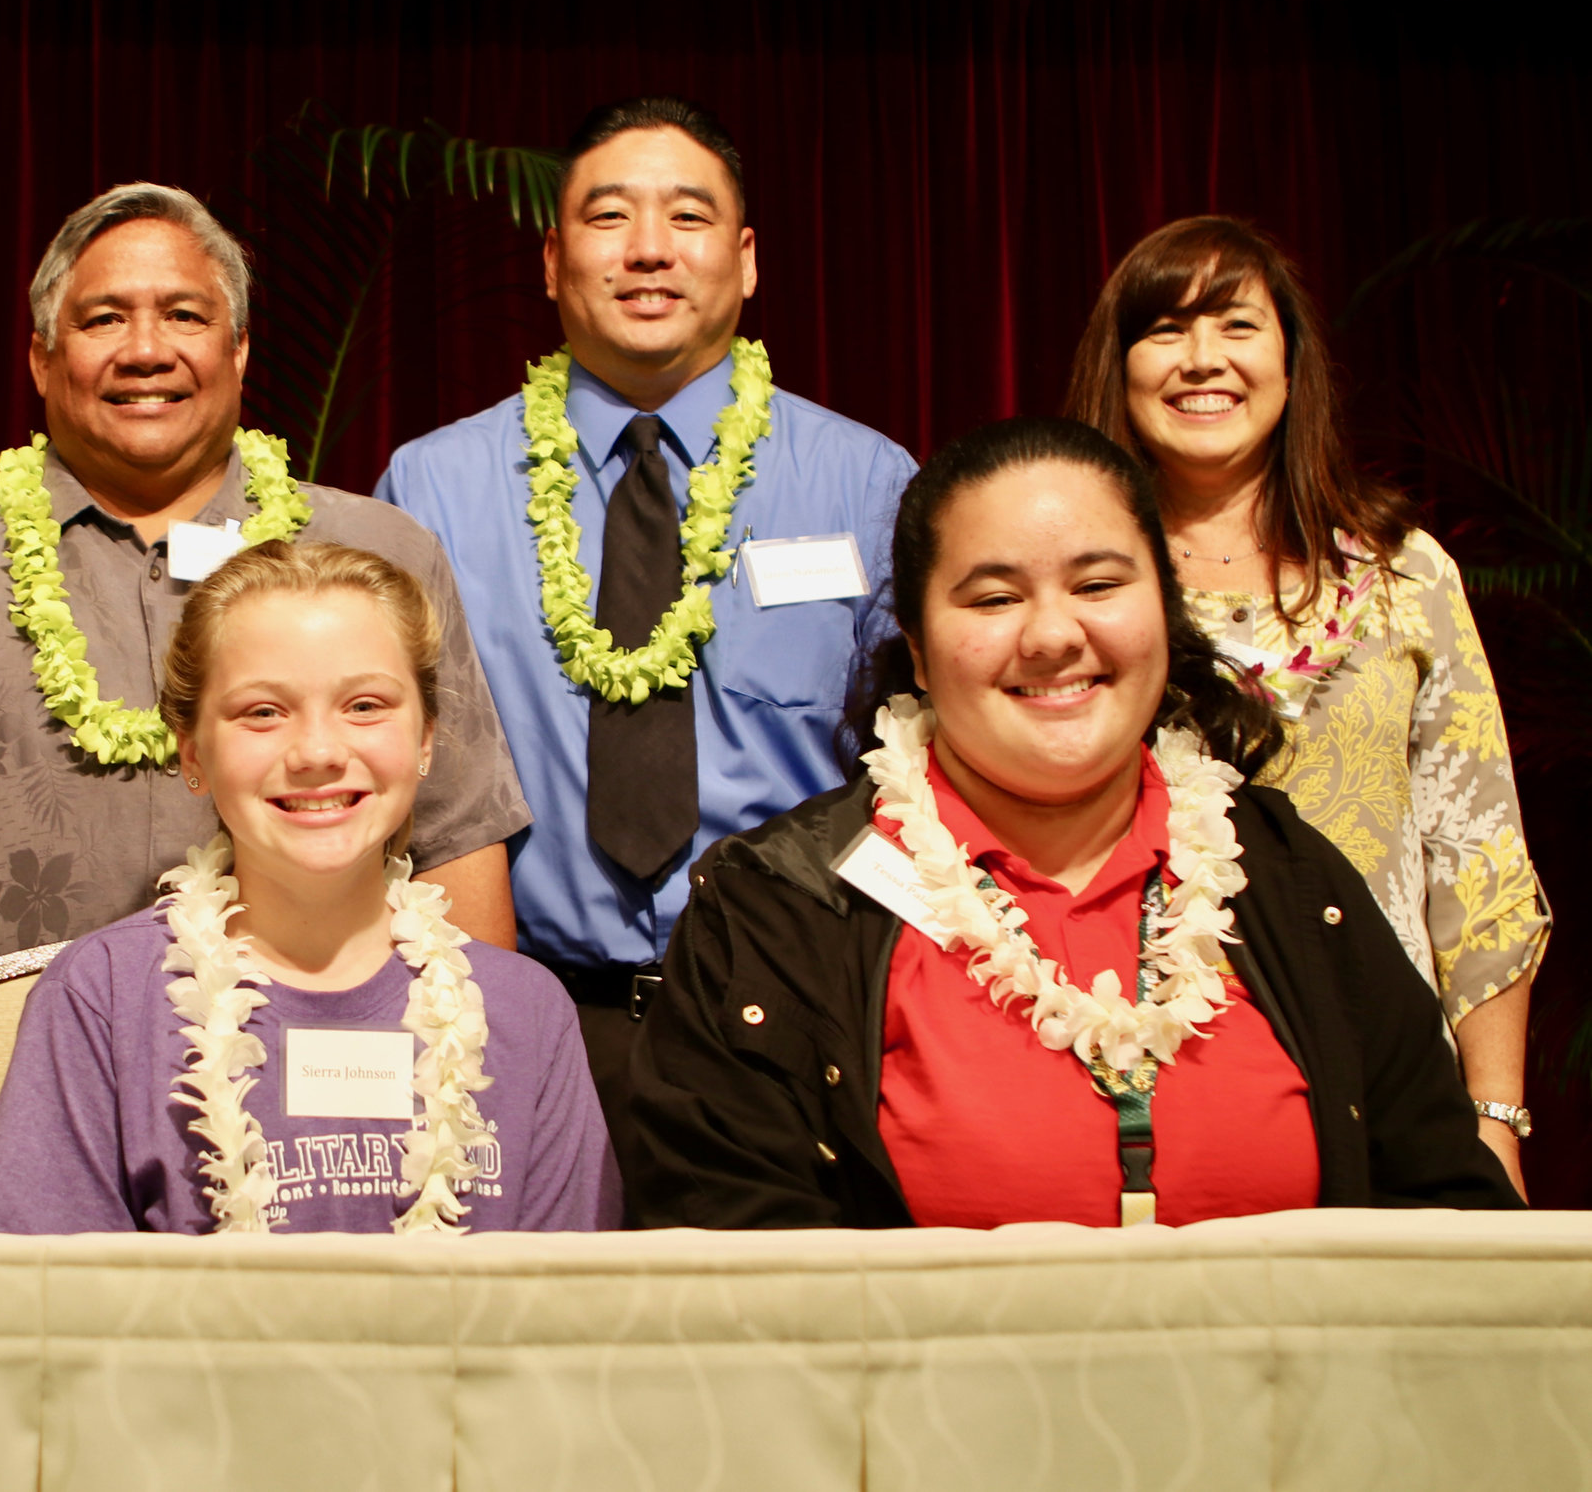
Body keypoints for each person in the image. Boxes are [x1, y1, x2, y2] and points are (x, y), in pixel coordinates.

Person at [625, 417, 1524, 1230]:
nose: (1053, 634)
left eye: (1098, 582)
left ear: (1163, 611)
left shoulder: (1289, 881)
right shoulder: (779, 911)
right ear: (919, 648)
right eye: (991, 598)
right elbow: (732, 1297)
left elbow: (1444, 1234)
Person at [0, 183, 531, 1155]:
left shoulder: (378, 552)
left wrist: (483, 1122)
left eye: (185, 315)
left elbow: (457, 845)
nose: (146, 348)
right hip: (14, 1117)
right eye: (103, 317)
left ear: (237, 349)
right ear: (40, 356)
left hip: (341, 1113)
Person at [375, 98, 916, 1142]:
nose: (650, 250)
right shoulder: (428, 491)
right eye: (610, 216)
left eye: (690, 217)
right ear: (552, 258)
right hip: (526, 1024)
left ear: (746, 258)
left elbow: (917, 772)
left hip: (798, 1022)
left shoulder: (867, 483)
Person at [1064, 215, 1547, 1194]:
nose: (1202, 359)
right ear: (1118, 370)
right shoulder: (1079, 590)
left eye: (1235, 325)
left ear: (1290, 360)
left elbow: (1478, 857)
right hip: (1156, 1082)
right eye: (1164, 329)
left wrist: (1492, 1115)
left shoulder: (1405, 574)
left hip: (1396, 1086)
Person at [0, 542, 615, 1234]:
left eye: (365, 704)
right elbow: (41, 1316)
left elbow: (567, 1319)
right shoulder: (101, 998)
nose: (317, 753)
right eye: (263, 712)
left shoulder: (527, 1013)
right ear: (191, 751)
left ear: (426, 736)